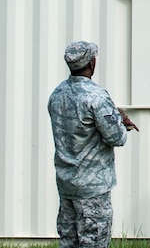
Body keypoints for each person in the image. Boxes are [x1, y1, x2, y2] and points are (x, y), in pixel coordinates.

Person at [47, 41, 138, 248]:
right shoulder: (96, 96)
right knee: (94, 242)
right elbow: (117, 138)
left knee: (69, 242)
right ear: (92, 63)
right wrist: (121, 123)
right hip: (92, 188)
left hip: (66, 182)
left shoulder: (57, 94)